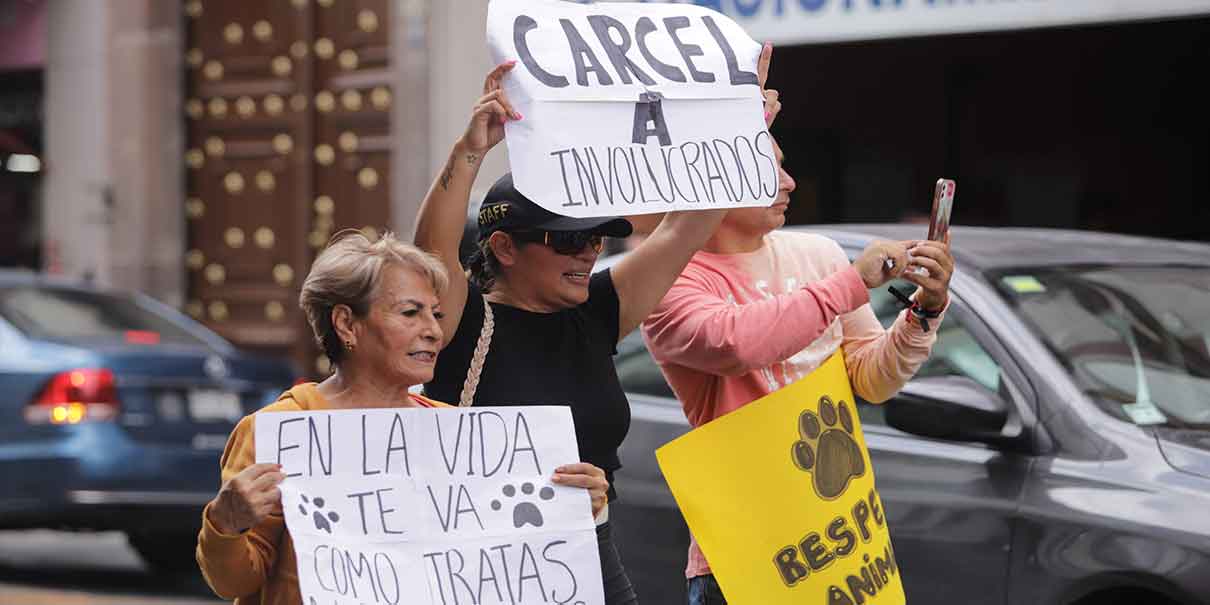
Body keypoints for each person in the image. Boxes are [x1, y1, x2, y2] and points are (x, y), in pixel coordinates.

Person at [413, 46, 781, 604]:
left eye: (594, 236)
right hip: (479, 566)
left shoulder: (596, 313)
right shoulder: (462, 321)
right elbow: (432, 253)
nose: (587, 252)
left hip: (590, 556)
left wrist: (737, 128)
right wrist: (469, 152)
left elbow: (684, 229)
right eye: (565, 239)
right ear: (504, 247)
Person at [195, 231, 609, 605]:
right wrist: (225, 525)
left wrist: (574, 509)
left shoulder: (455, 431)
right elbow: (235, 584)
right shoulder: (284, 430)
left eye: (436, 314)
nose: (432, 331)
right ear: (346, 324)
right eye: (410, 313)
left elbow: (501, 564)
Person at [641, 140, 955, 605]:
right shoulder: (669, 280)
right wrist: (852, 282)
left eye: (784, 167)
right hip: (743, 556)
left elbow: (871, 379)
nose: (788, 184)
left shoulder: (818, 253)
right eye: (769, 171)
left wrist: (925, 310)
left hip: (840, 537)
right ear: (711, 184)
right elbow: (736, 343)